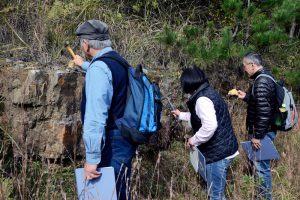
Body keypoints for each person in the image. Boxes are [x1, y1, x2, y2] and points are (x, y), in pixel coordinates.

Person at [73, 19, 136, 200]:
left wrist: (92, 159)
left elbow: (95, 116)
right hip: (125, 136)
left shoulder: (99, 69)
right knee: (121, 191)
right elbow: (110, 79)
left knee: (109, 194)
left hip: (111, 142)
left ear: (86, 45)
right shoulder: (119, 62)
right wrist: (84, 66)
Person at [172, 65, 239, 200]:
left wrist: (193, 140)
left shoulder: (201, 99)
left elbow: (209, 126)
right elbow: (199, 117)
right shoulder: (207, 91)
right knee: (217, 193)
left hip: (218, 155)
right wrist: (181, 115)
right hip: (223, 149)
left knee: (216, 195)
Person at [237, 52, 277, 200]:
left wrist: (257, 136)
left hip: (263, 133)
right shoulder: (265, 78)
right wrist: (246, 97)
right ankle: (261, 196)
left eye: (245, 66)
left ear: (252, 65)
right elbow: (262, 104)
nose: (244, 69)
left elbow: (264, 112)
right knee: (260, 167)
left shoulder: (261, 82)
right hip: (266, 131)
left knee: (261, 169)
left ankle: (265, 197)